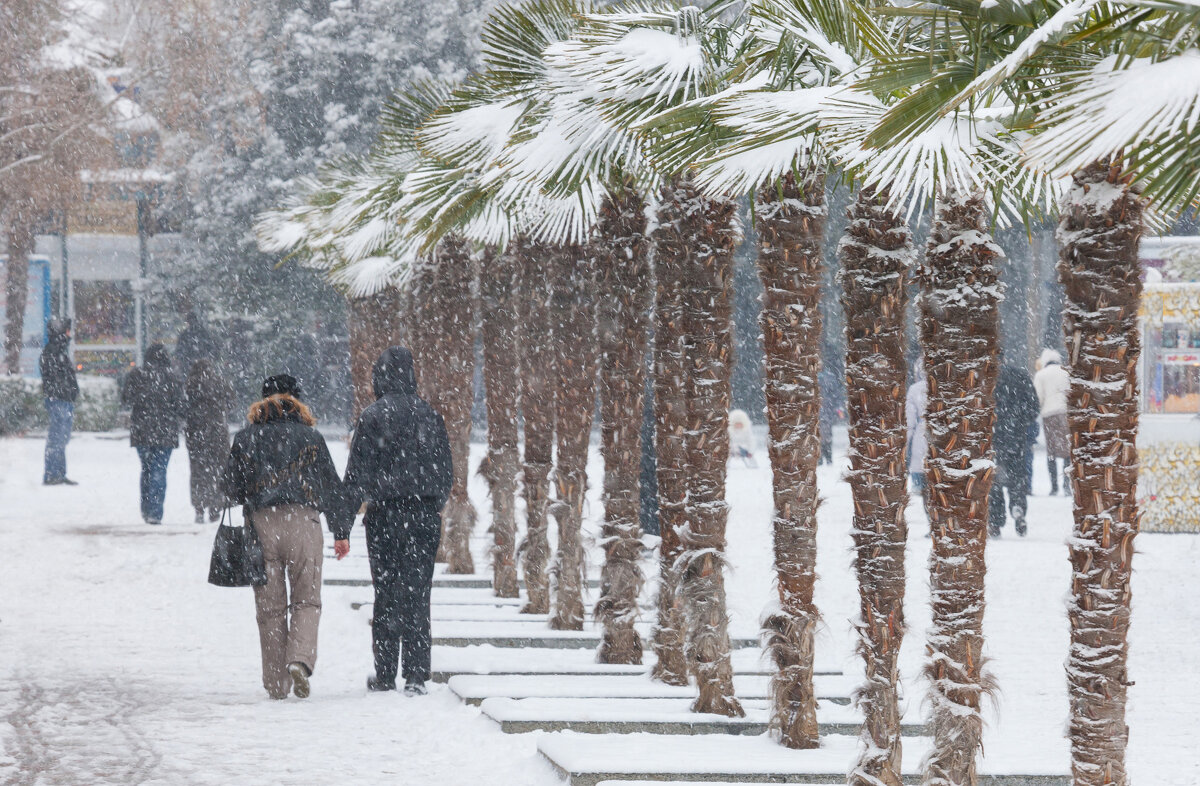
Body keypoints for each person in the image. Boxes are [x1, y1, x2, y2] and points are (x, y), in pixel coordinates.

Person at [223, 374, 351, 701]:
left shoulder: (246, 438)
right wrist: (341, 532)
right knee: (307, 600)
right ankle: (300, 660)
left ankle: (276, 683)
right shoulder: (310, 438)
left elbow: (229, 489)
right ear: (298, 401)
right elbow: (331, 487)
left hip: (261, 526)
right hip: (304, 522)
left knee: (270, 608)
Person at [342, 347, 452, 696]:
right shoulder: (430, 417)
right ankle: (417, 674)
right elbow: (446, 473)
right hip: (423, 516)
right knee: (419, 593)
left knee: (386, 592)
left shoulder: (372, 417)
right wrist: (432, 503)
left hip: (384, 516)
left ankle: (386, 672)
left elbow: (356, 477)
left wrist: (342, 525)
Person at [122, 344, 183, 525]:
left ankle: (146, 508)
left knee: (147, 469)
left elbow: (126, 399)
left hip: (142, 431)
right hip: (166, 432)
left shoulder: (137, 375)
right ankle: (155, 512)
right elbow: (181, 406)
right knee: (159, 470)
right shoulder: (172, 378)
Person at [989, 364, 1040, 538]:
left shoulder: (987, 379)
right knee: (1017, 478)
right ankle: (1018, 508)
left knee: (993, 482)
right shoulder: (1020, 376)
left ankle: (995, 522)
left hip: (993, 438)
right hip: (1016, 439)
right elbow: (1034, 408)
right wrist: (1020, 422)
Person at [185, 357, 234, 523]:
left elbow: (182, 408)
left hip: (196, 434)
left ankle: (199, 508)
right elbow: (232, 402)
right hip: (218, 434)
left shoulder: (189, 385)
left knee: (198, 472)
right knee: (218, 471)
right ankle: (215, 507)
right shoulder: (220, 382)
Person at [40, 318, 79, 486]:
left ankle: (57, 472)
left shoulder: (57, 350)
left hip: (62, 398)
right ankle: (52, 473)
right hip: (59, 399)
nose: (70, 333)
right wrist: (66, 390)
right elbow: (56, 377)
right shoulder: (54, 352)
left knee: (61, 437)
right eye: (68, 330)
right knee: (58, 437)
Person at [1034, 348, 1071, 495]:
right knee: (1067, 451)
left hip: (1049, 415)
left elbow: (1038, 397)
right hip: (1066, 413)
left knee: (1051, 452)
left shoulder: (1041, 375)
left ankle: (1054, 487)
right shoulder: (1066, 372)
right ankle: (1066, 484)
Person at [905, 361, 929, 515]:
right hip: (940, 435)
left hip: (921, 436)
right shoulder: (943, 386)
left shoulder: (914, 390)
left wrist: (905, 443)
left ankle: (931, 520)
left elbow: (909, 421)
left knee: (925, 486)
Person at [175, 311, 219, 383]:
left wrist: (184, 359)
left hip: (188, 366)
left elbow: (179, 351)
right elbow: (211, 348)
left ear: (188, 321)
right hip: (202, 366)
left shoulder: (185, 334)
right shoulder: (204, 332)